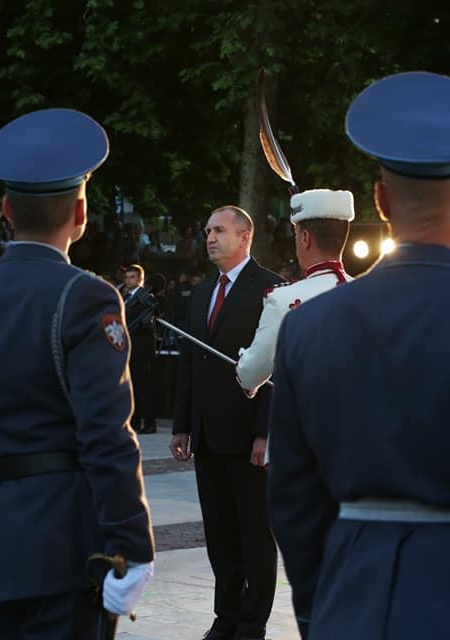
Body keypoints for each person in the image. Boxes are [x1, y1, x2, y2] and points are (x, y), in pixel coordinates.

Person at [0, 108, 155, 639]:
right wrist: (132, 545)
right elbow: (106, 435)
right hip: (63, 544)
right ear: (80, 212)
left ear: (7, 210)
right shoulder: (87, 297)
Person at [269, 71, 450, 640]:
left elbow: (294, 501)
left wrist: (317, 609)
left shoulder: (309, 327)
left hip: (359, 596)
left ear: (380, 198)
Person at [169, 205, 282, 640]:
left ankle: (253, 623)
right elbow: (189, 363)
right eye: (207, 231)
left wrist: (264, 431)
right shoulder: (200, 293)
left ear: (245, 237)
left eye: (219, 230)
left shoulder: (270, 289)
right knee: (220, 535)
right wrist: (182, 424)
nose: (210, 238)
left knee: (254, 535)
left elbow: (275, 366)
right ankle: (226, 616)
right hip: (208, 435)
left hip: (247, 435)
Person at [235, 189, 354, 398]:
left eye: (296, 235)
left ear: (305, 238)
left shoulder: (283, 300)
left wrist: (244, 361)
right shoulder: (373, 295)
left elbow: (250, 374)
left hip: (308, 426)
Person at [123, 264, 157, 434]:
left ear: (140, 279)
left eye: (132, 277)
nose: (128, 280)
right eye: (127, 277)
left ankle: (149, 421)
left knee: (144, 386)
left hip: (142, 348)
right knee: (132, 386)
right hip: (128, 347)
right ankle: (134, 421)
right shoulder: (124, 296)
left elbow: (146, 322)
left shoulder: (146, 298)